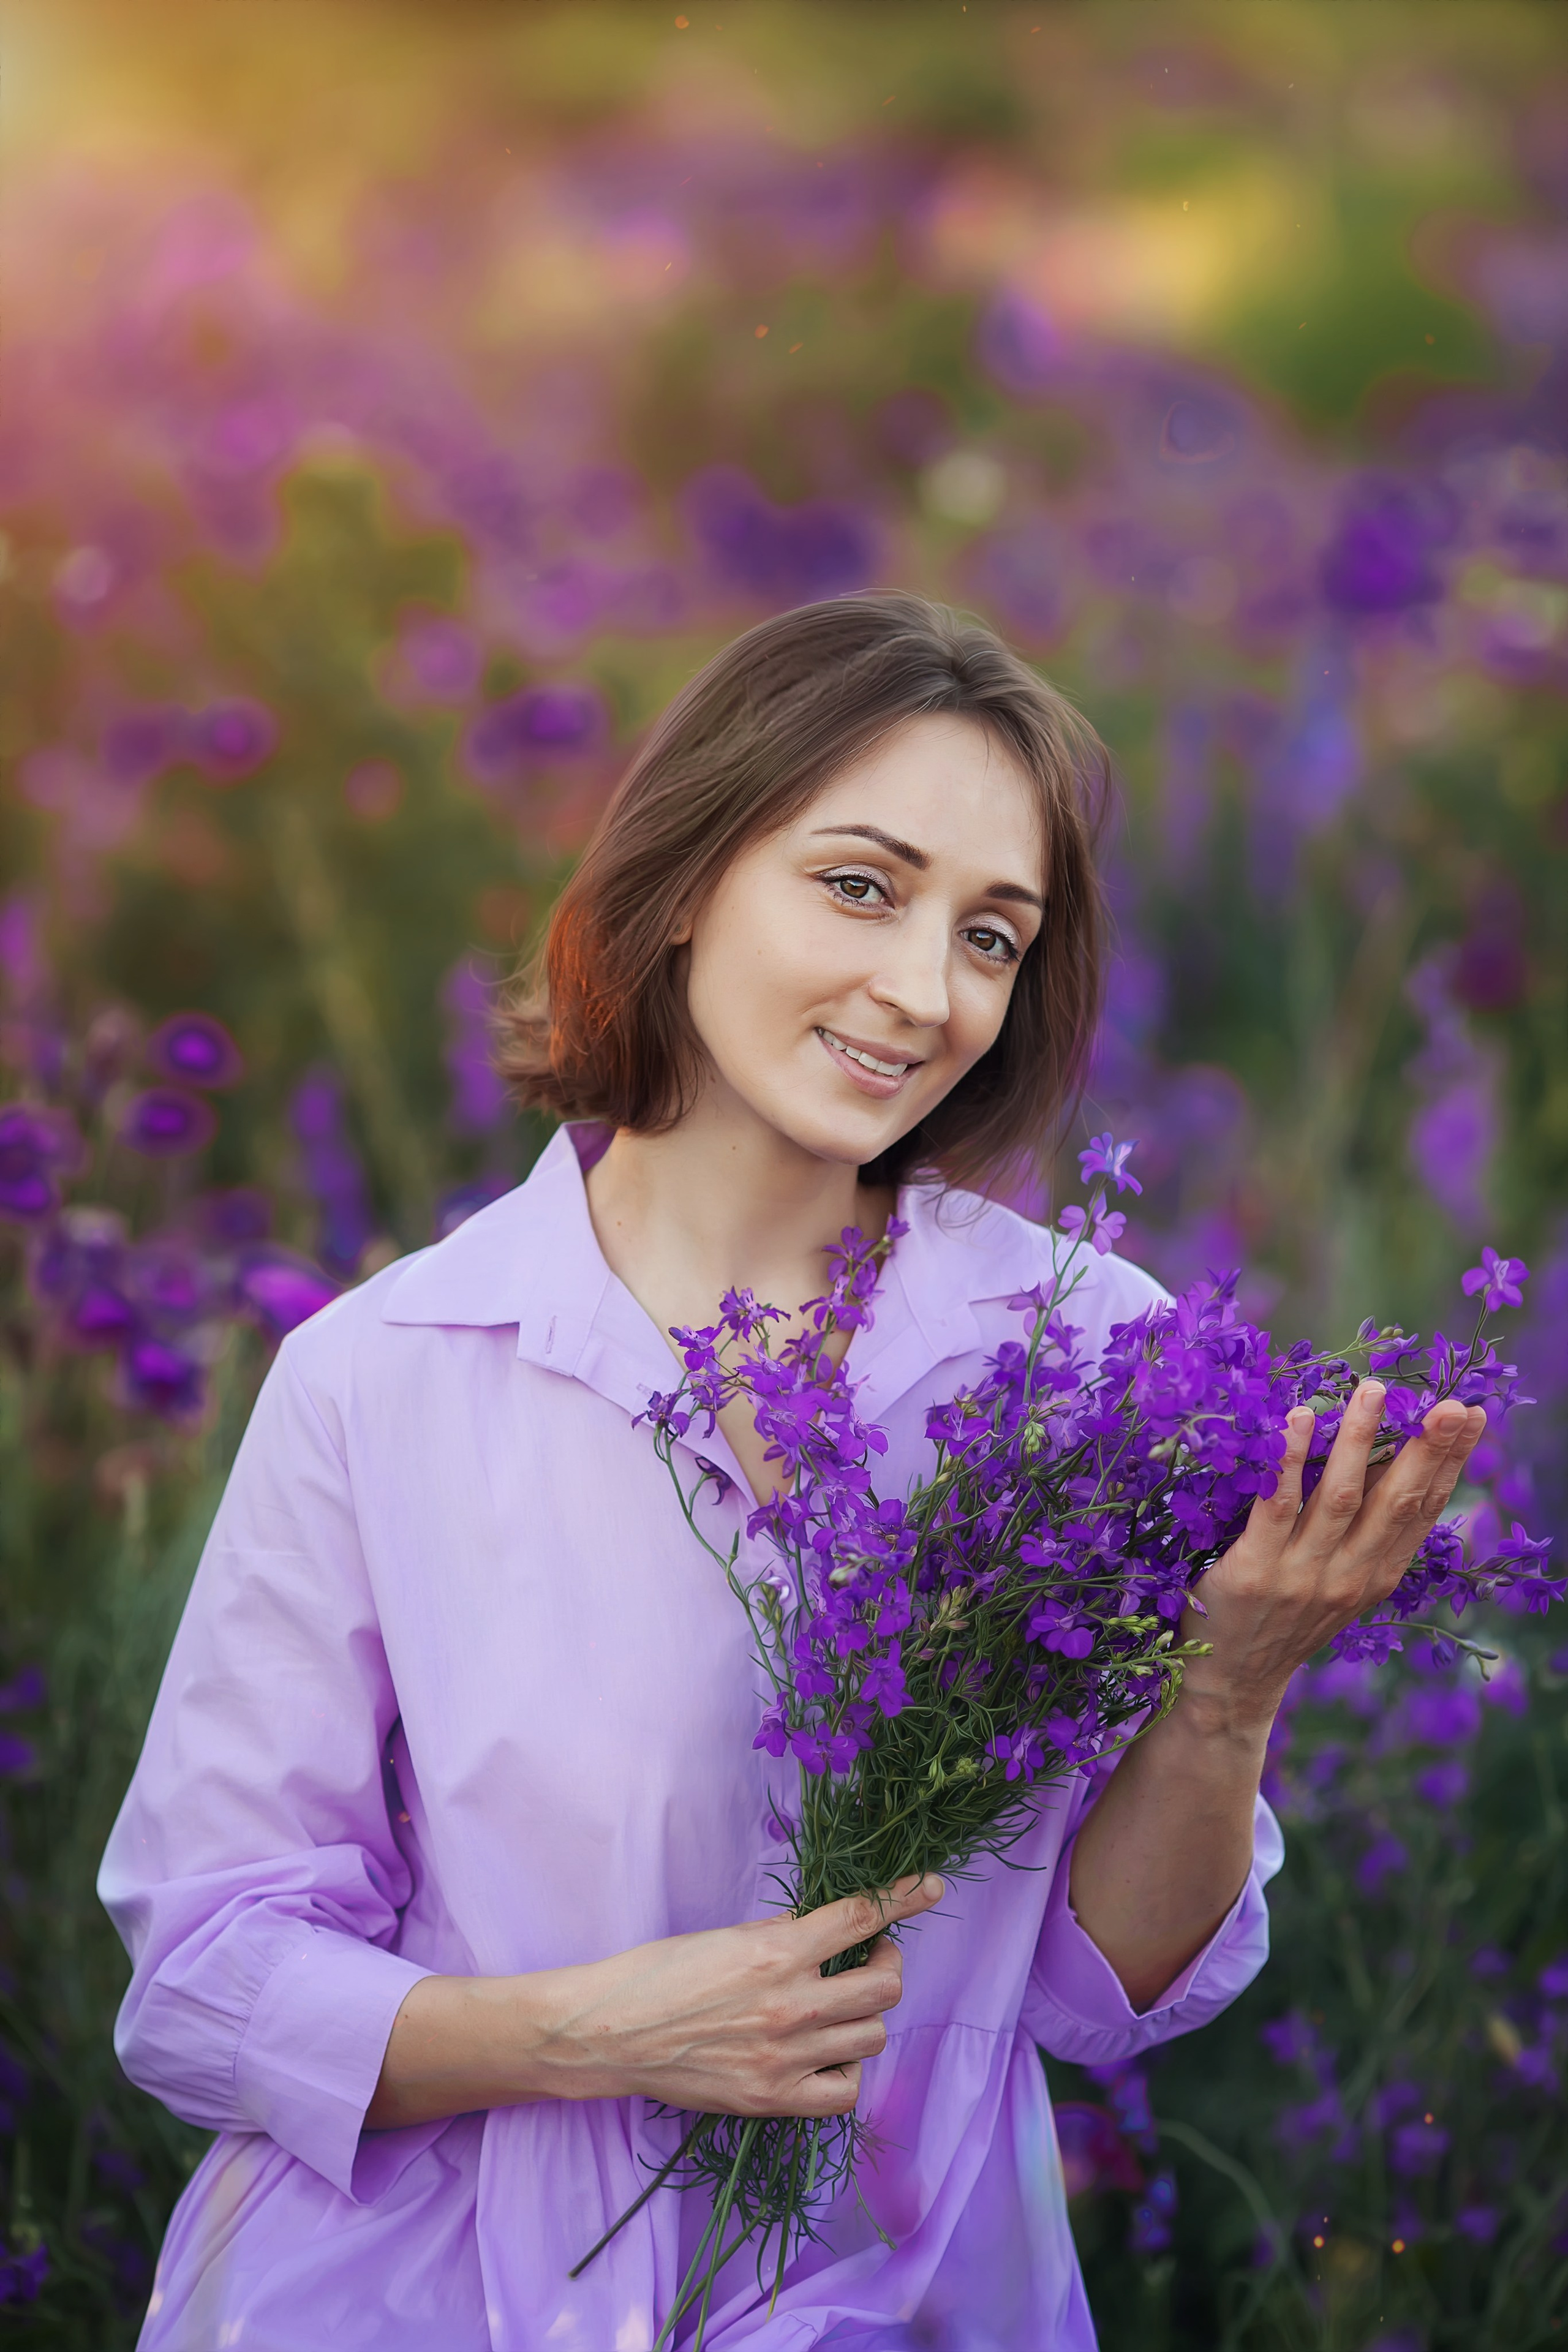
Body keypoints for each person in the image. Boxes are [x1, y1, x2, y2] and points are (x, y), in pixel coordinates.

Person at [100, 594, 1483, 2350]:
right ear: (681, 883)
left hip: (910, 2298)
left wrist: (1231, 1687)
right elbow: (205, 1983)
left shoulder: (1078, 1355)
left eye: (994, 935)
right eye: (860, 886)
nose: (925, 991)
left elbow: (1097, 1999)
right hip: (431, 2296)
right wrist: (597, 2031)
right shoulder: (386, 1377)